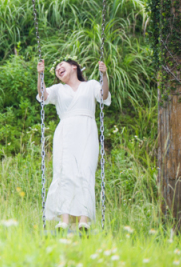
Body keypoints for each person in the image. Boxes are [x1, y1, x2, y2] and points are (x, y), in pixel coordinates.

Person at [37, 58, 110, 233]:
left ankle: (83, 220)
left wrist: (104, 75)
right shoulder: (58, 90)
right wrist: (40, 75)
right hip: (65, 132)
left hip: (87, 131)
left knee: (85, 171)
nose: (58, 68)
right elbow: (43, 95)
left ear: (74, 67)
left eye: (61, 65)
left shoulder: (90, 85)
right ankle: (64, 219)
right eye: (55, 68)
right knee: (65, 172)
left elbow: (104, 95)